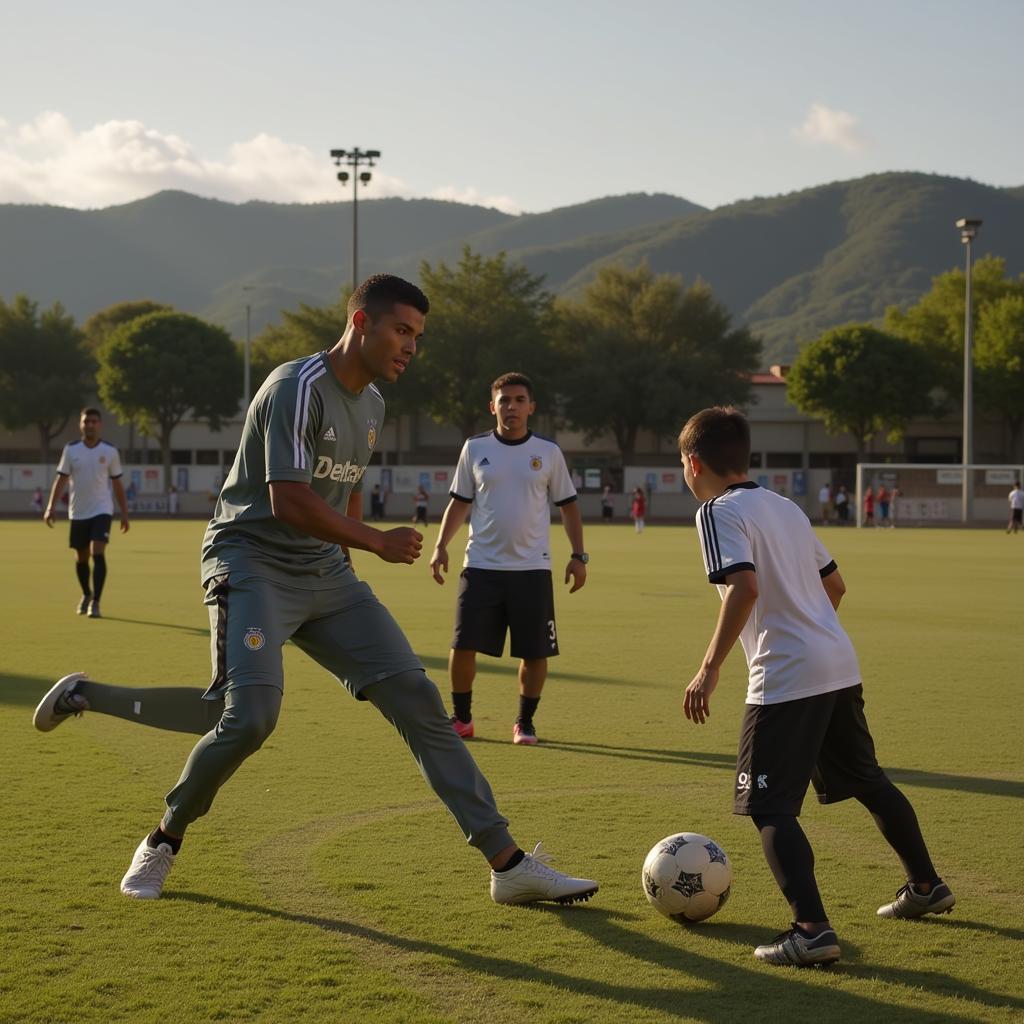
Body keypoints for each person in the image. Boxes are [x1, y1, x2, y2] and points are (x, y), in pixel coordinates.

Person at [33, 275, 597, 908]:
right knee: (245, 717)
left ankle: (508, 864)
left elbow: (346, 491)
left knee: (417, 698)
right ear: (361, 323)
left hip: (327, 573)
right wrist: (374, 540)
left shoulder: (375, 405)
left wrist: (351, 555)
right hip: (250, 562)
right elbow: (289, 498)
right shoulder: (295, 387)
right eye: (402, 331)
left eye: (418, 336)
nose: (412, 346)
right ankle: (161, 838)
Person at [678, 407, 953, 968]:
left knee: (768, 805)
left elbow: (743, 588)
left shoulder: (715, 511)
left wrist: (709, 668)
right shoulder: (784, 506)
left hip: (786, 674)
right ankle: (926, 886)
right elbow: (836, 584)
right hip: (836, 663)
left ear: (692, 462)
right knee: (868, 780)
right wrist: (810, 627)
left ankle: (811, 930)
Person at [430, 372, 587, 745]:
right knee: (462, 645)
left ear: (531, 406)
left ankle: (525, 722)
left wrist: (579, 555)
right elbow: (459, 503)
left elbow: (569, 508)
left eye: (519, 400)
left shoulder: (548, 453)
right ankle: (463, 718)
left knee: (534, 652)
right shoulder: (474, 448)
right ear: (492, 406)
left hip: (532, 569)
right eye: (504, 400)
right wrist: (440, 546)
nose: (511, 407)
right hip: (481, 566)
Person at [44, 408, 130, 618]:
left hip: (102, 510)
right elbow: (61, 479)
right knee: (81, 558)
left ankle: (96, 603)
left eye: (93, 421)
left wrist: (124, 513)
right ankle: (86, 594)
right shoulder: (71, 450)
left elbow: (117, 483)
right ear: (80, 425)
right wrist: (50, 507)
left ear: (100, 425)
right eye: (86, 422)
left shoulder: (110, 451)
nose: (89, 425)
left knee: (97, 552)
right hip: (78, 512)